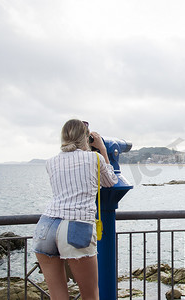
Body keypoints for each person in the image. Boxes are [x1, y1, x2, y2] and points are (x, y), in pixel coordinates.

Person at [33, 119, 118, 299]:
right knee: (90, 295)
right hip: (76, 226)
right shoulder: (94, 158)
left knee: (58, 295)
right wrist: (102, 149)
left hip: (46, 227)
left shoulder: (51, 162)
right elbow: (110, 181)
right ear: (85, 138)